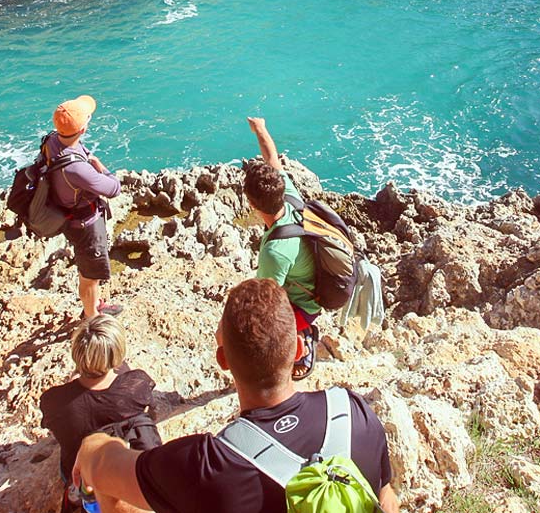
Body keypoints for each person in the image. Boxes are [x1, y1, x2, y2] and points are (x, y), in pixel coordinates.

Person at [73, 278, 399, 513]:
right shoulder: (354, 412)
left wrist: (94, 445)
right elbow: (385, 498)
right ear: (300, 350)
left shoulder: (205, 467)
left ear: (223, 362)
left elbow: (101, 468)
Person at [39, 315, 159, 512]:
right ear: (117, 356)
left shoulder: (54, 401)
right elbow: (150, 412)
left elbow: (55, 428)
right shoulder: (136, 385)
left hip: (78, 472)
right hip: (124, 468)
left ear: (77, 354)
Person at [243, 117, 321, 380]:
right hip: (314, 281)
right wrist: (261, 129)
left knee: (262, 325)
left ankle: (303, 341)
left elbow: (267, 302)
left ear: (253, 206)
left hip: (307, 303)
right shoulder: (289, 196)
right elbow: (272, 157)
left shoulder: (274, 252)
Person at [46, 95, 122, 321]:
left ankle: (94, 303)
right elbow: (113, 188)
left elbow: (78, 149)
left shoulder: (52, 141)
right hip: (86, 225)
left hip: (69, 216)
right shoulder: (77, 170)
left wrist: (87, 155)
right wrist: (100, 167)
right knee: (89, 274)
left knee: (86, 269)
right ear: (82, 130)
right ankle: (91, 317)